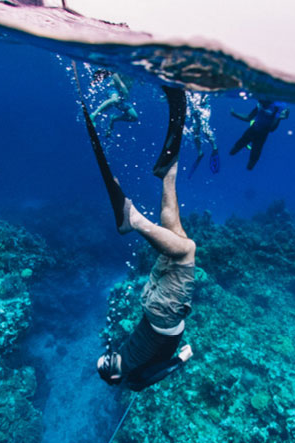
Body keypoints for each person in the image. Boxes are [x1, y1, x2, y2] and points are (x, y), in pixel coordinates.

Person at [76, 82, 196, 391]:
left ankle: (133, 220)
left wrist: (182, 359)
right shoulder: (119, 355)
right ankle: (168, 172)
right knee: (175, 235)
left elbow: (155, 374)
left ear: (116, 380)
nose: (110, 358)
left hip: (164, 315)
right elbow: (123, 356)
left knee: (185, 251)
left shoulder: (131, 381)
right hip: (152, 302)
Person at [229, 100, 289, 170]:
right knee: (235, 150)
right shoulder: (261, 105)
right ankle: (246, 166)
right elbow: (248, 118)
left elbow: (271, 129)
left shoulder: (278, 107)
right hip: (254, 131)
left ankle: (248, 169)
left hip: (260, 134)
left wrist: (279, 117)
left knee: (252, 158)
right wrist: (234, 114)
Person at [89, 71, 139, 136]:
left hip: (123, 95)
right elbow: (114, 75)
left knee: (134, 117)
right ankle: (93, 115)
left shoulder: (136, 69)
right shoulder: (123, 65)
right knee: (114, 99)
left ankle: (114, 118)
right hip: (114, 89)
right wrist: (124, 88)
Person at [185, 92, 219, 178]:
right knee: (195, 130)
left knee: (203, 128)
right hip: (195, 108)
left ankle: (214, 147)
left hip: (202, 107)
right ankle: (201, 151)